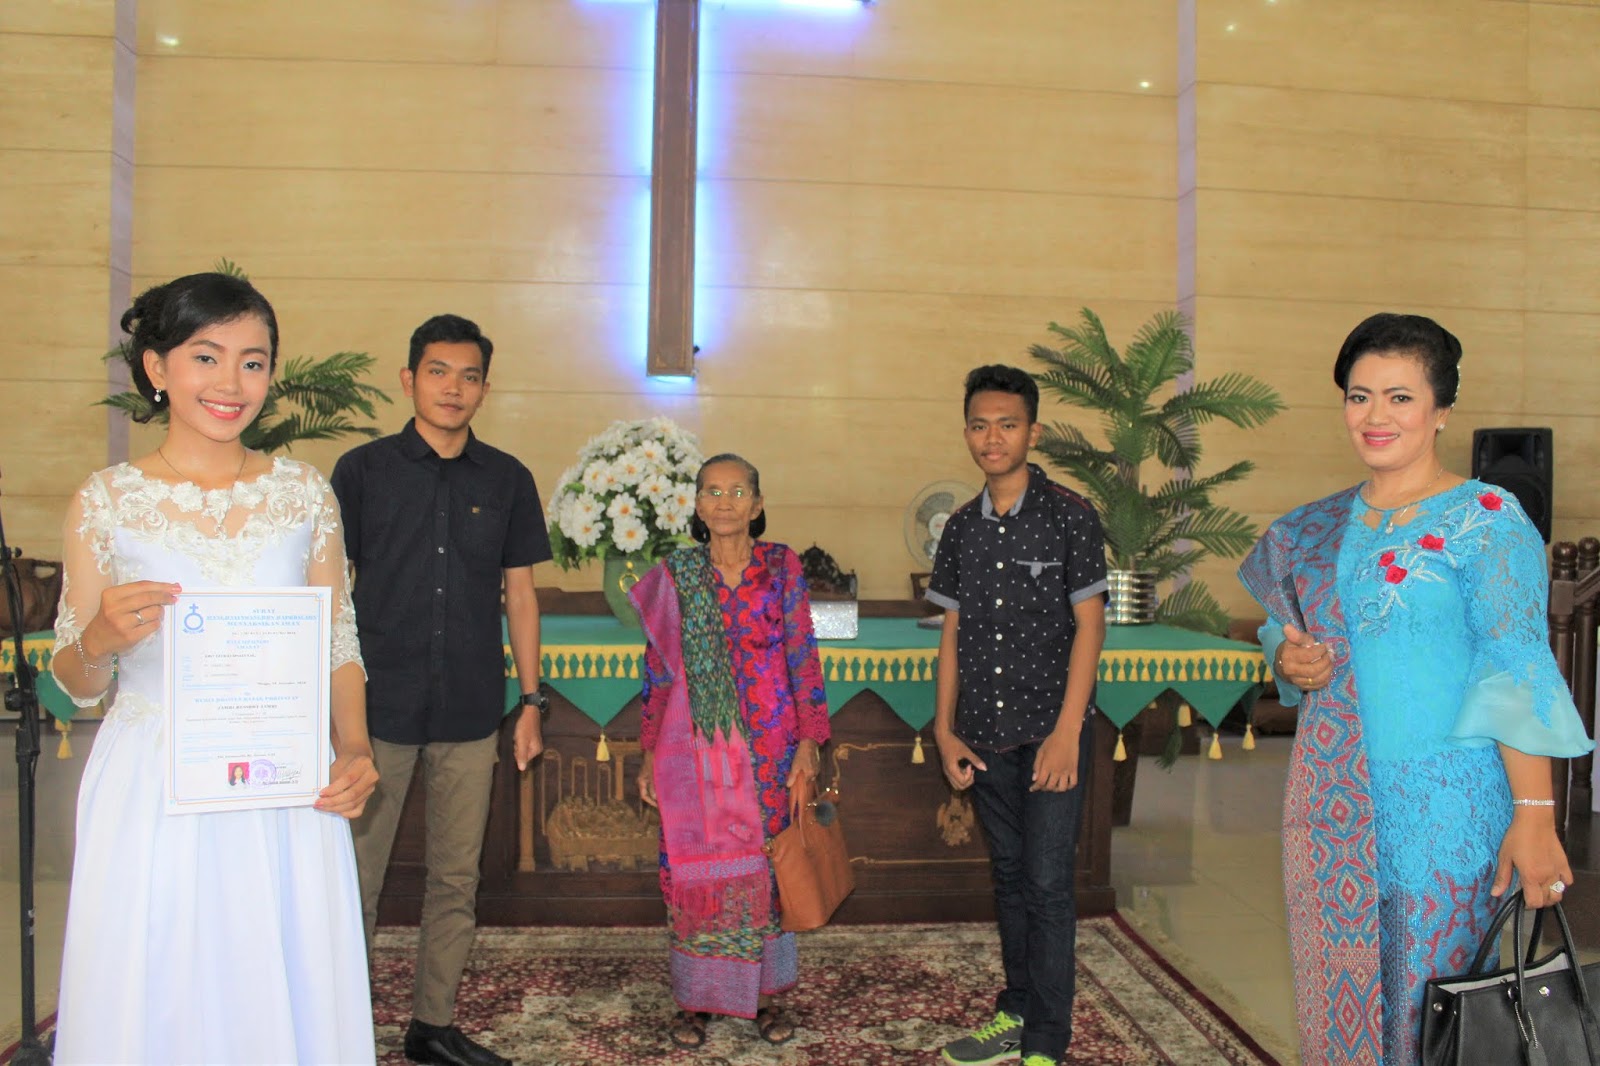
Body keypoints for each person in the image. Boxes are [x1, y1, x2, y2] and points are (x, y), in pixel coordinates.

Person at [1238, 312, 1594, 1064]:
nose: (1376, 416)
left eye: (1400, 397)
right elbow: (1282, 627)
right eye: (1359, 396)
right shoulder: (1313, 529)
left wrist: (1535, 817)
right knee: (1342, 1007)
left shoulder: (1486, 520)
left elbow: (1514, 665)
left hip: (1446, 812)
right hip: (1333, 807)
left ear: (1441, 410)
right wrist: (1288, 660)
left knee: (1433, 1016)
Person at [49, 272, 379, 1063]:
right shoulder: (106, 501)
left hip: (279, 770)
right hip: (154, 774)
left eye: (252, 362)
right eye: (206, 357)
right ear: (156, 368)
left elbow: (337, 638)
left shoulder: (304, 495)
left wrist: (355, 747)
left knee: (276, 966)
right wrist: (98, 640)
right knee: (159, 974)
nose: (231, 383)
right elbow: (75, 681)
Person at [331, 314, 550, 1066]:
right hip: (375, 712)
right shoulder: (362, 472)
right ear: (408, 380)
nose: (453, 388)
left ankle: (431, 1026)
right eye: (437, 371)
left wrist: (531, 704)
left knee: (455, 878)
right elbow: (331, 592)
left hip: (469, 708)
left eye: (468, 376)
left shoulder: (508, 478)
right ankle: (338, 1025)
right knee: (355, 879)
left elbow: (521, 596)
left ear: (485, 389)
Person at [928, 365, 1107, 1066]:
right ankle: (1016, 1010)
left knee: (1048, 884)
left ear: (1033, 432)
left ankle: (1046, 1042)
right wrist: (945, 729)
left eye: (1007, 424)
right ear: (966, 432)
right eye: (979, 425)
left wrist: (1067, 733)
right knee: (1008, 877)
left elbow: (1090, 627)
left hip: (1050, 732)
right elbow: (952, 632)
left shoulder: (1070, 515)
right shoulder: (960, 528)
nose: (992, 438)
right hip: (983, 734)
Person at [627, 453, 831, 1050]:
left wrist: (810, 742)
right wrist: (648, 753)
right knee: (694, 872)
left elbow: (803, 654)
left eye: (737, 491)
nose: (724, 502)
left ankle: (764, 998)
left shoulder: (781, 566)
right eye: (712, 491)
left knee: (764, 872)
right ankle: (696, 1001)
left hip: (770, 751)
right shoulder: (677, 574)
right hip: (692, 753)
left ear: (758, 504)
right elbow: (658, 672)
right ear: (696, 504)